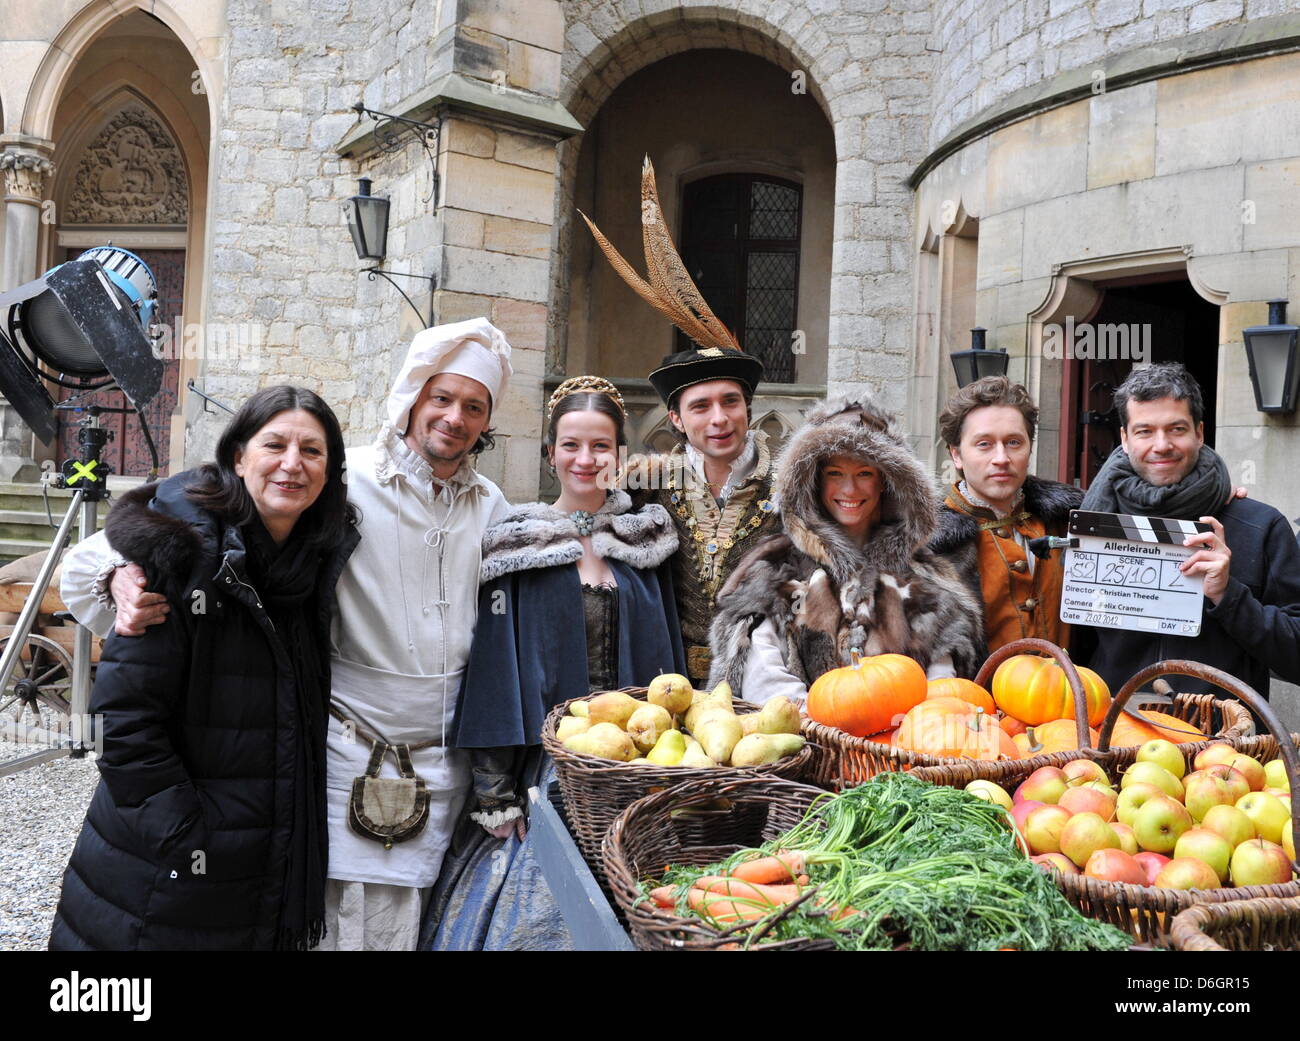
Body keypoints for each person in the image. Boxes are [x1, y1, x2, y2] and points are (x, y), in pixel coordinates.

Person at [58, 317, 515, 950]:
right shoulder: (340, 480)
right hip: (342, 757)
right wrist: (117, 577)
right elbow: (126, 547)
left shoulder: (492, 505)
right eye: (440, 398)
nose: (453, 418)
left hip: (440, 771)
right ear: (412, 397)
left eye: (473, 406)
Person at [49, 386, 358, 950]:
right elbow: (123, 721)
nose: (293, 463)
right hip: (167, 877)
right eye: (275, 445)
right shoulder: (182, 556)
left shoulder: (312, 563)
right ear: (238, 456)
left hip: (263, 861)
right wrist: (189, 837)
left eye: (312, 451)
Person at [422, 376, 685, 949]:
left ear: (620, 455)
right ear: (550, 454)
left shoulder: (647, 543)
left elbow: (671, 673)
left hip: (635, 775)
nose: (585, 459)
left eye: (600, 447)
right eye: (570, 445)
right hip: (546, 778)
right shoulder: (518, 544)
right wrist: (495, 794)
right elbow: (494, 671)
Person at [581, 157, 782, 690]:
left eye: (731, 401)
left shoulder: (791, 484)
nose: (719, 419)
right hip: (660, 678)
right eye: (700, 406)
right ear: (675, 418)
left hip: (765, 681)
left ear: (748, 407)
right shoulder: (644, 483)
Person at [708, 398, 984, 704]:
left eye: (864, 473)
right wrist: (826, 732)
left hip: (899, 745)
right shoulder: (775, 572)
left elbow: (940, 687)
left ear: (885, 482)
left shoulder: (927, 583)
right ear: (814, 481)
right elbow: (766, 681)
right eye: (835, 474)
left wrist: (899, 737)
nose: (849, 490)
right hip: (807, 743)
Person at [1080, 362, 1300, 698]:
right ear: (1124, 439)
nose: (1162, 444)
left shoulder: (1261, 526)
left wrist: (1229, 596)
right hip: (1112, 730)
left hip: (1225, 736)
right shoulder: (1094, 521)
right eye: (1144, 431)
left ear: (1199, 432)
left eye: (1176, 429)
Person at [930, 376, 1083, 654]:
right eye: (984, 444)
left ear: (1029, 448)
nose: (1001, 458)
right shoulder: (926, 543)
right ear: (956, 455)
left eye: (1013, 442)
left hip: (1070, 692)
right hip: (969, 697)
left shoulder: (1070, 522)